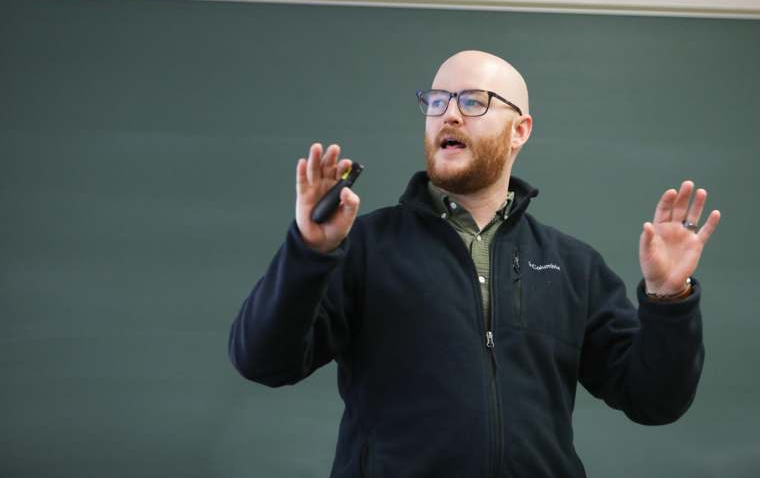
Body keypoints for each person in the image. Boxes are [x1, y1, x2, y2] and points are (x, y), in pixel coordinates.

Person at [228, 50, 721, 477]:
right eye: (436, 101)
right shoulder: (364, 246)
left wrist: (668, 299)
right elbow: (261, 361)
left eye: (472, 101)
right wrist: (308, 251)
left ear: (519, 130)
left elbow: (655, 400)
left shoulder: (572, 265)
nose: (449, 115)